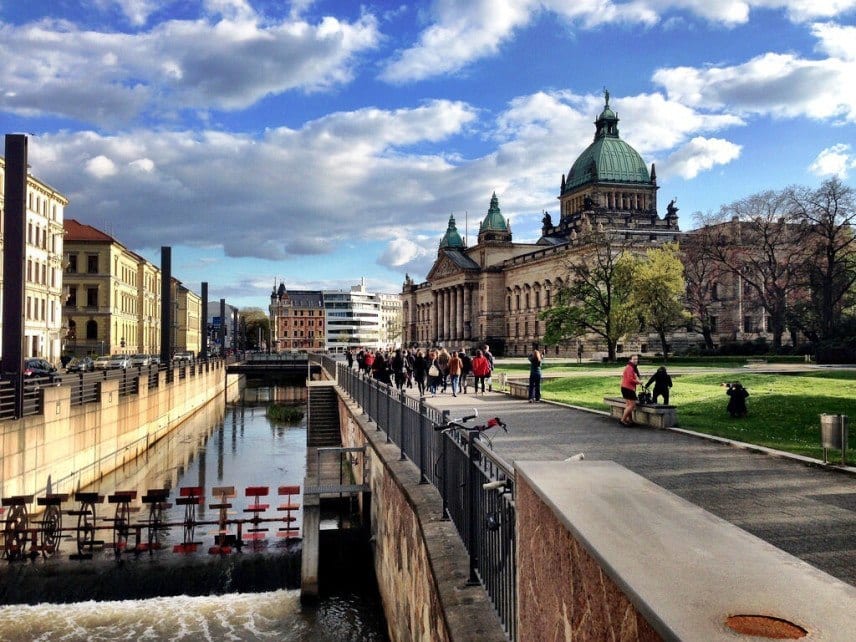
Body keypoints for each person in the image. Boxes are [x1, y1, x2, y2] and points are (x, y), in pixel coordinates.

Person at [620, 354, 641, 426]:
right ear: (630, 360)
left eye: (636, 359)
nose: (636, 360)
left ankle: (630, 420)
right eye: (634, 359)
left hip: (626, 387)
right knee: (632, 405)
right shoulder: (630, 367)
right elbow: (630, 379)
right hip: (628, 388)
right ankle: (623, 420)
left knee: (629, 405)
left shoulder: (631, 367)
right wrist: (638, 382)